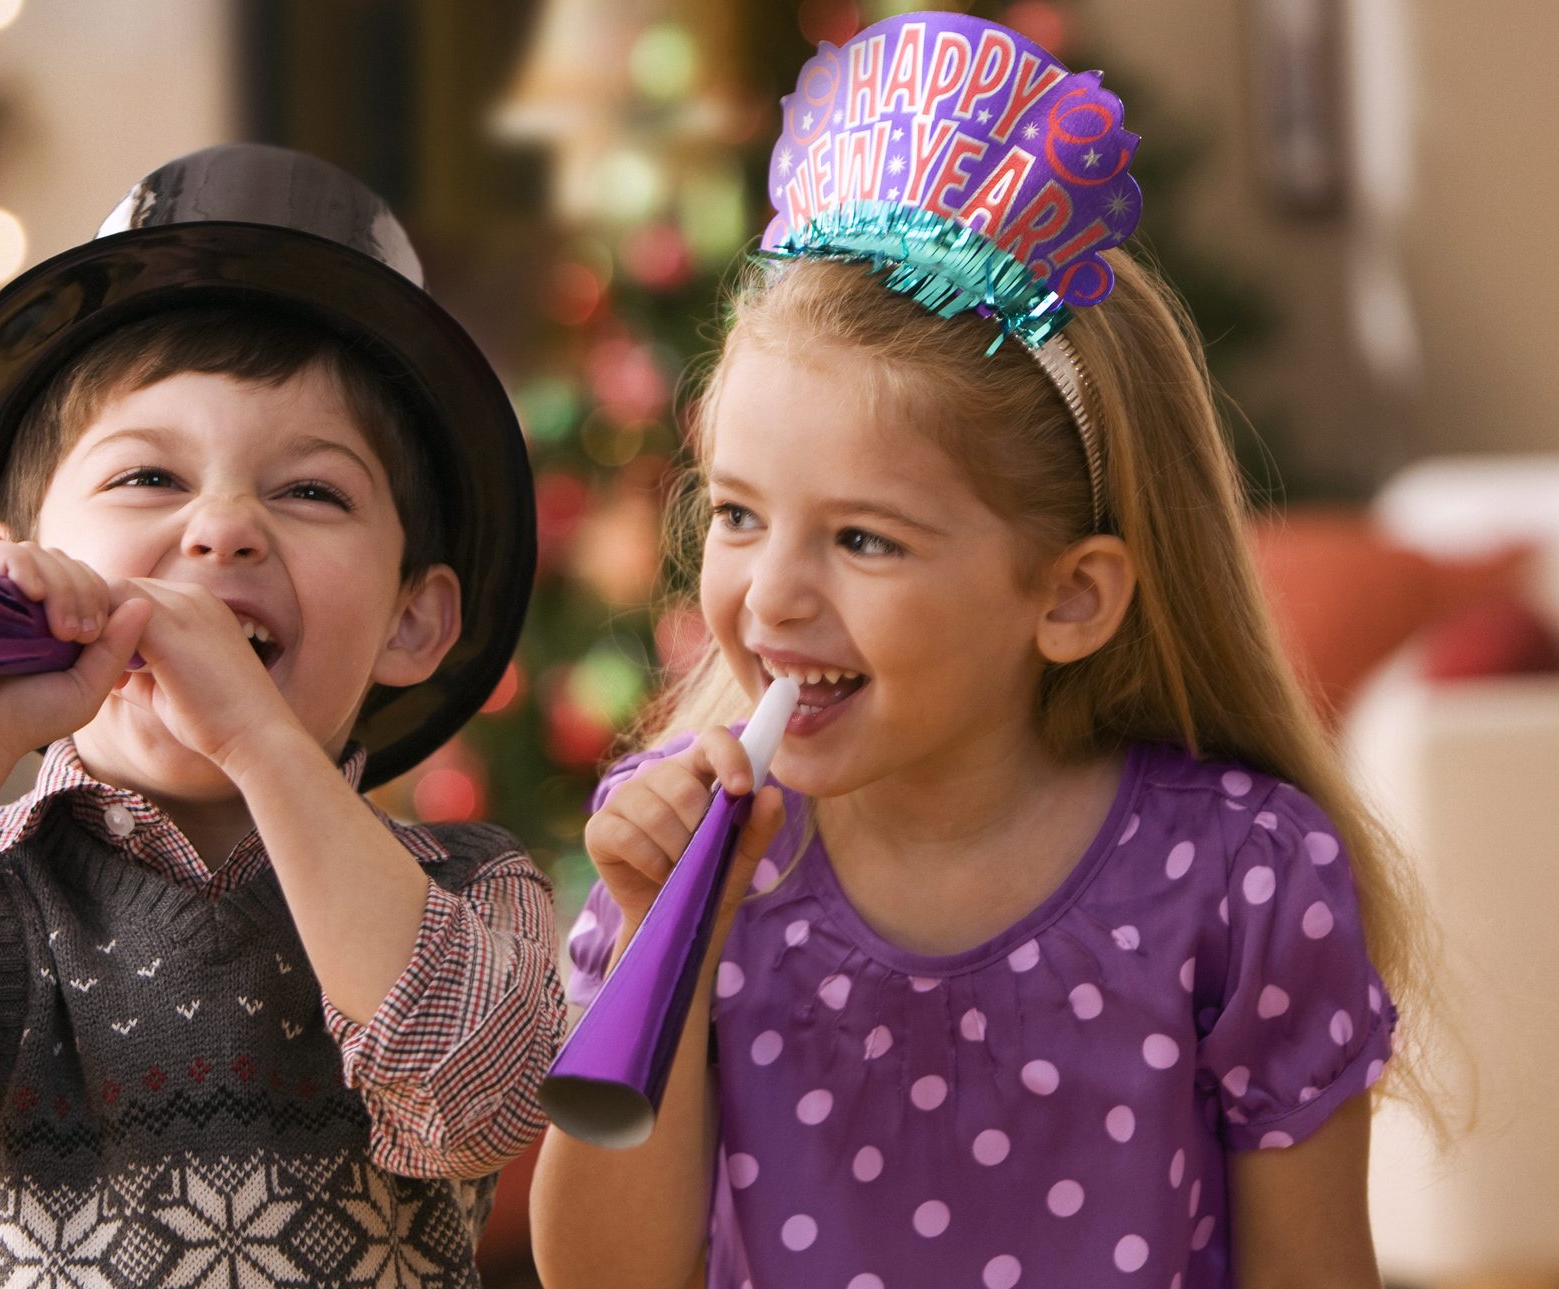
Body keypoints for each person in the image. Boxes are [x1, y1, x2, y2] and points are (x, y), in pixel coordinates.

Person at [531, 12, 1444, 1288]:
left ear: (1067, 598)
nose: (769, 593)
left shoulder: (1244, 878)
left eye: (863, 538)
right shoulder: (685, 862)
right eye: (737, 514)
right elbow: (602, 1274)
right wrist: (659, 938)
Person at [0, 144, 562, 1288]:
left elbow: (480, 1098)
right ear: (15, 562)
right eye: (148, 478)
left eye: (310, 489)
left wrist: (262, 741)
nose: (222, 527)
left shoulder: (468, 891)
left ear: (411, 621)